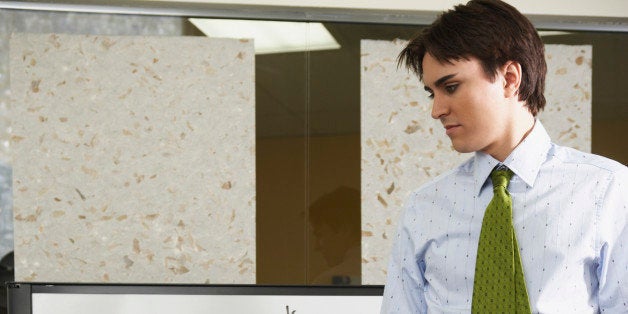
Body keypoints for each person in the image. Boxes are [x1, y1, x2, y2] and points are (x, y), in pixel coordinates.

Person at [381, 0, 628, 313]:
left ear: (510, 78)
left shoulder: (607, 190)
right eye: (433, 93)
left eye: (452, 86)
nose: (436, 110)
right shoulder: (423, 207)